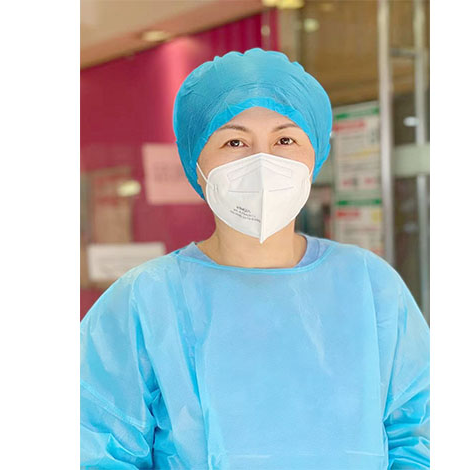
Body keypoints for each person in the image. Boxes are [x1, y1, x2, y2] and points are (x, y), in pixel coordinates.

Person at [80, 48, 430, 470]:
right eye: (235, 141)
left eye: (285, 140)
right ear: (196, 161)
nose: (263, 162)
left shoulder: (370, 285)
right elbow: (96, 448)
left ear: (315, 154)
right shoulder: (145, 301)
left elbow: (418, 437)